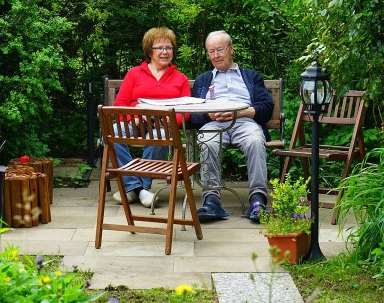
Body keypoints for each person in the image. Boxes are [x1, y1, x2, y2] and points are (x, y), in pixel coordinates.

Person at [189, 30, 274, 222]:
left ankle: (258, 201)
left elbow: (266, 107)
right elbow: (192, 116)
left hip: (244, 122)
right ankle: (212, 202)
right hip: (214, 123)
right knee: (208, 141)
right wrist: (208, 114)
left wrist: (241, 112)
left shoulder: (251, 76)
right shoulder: (203, 80)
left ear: (231, 49)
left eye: (220, 50)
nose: (216, 55)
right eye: (211, 51)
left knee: (254, 140)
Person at [112, 27, 191, 208]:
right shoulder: (134, 73)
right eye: (160, 48)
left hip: (163, 125)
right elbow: (119, 105)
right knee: (114, 131)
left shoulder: (181, 79)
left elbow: (185, 112)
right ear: (149, 51)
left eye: (169, 48)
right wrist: (135, 118)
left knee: (159, 136)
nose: (165, 52)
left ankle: (138, 189)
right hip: (136, 122)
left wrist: (163, 121)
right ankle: (138, 189)